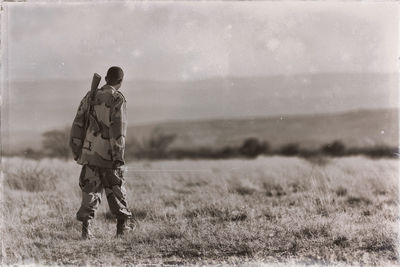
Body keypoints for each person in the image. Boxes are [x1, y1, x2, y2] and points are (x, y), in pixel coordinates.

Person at [69, 66, 132, 239]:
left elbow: (77, 124)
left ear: (105, 78)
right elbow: (118, 130)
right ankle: (122, 229)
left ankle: (86, 230)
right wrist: (118, 156)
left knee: (90, 190)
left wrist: (77, 150)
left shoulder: (90, 96)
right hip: (109, 154)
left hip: (89, 153)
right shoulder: (117, 99)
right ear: (120, 81)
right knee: (116, 189)